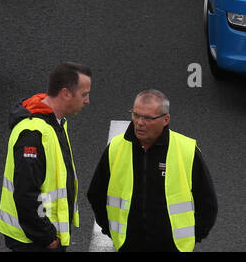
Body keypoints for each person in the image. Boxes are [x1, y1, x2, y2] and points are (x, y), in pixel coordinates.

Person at [86, 90, 217, 252]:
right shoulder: (116, 147)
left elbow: (207, 202)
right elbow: (96, 194)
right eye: (136, 115)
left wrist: (193, 238)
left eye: (148, 118)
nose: (139, 122)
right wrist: (111, 231)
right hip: (129, 247)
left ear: (165, 120)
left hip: (173, 248)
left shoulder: (186, 150)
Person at [0, 61, 92, 251]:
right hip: (34, 241)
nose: (87, 100)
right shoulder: (33, 134)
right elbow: (26, 193)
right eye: (84, 94)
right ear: (66, 93)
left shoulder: (54, 123)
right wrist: (47, 237)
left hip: (42, 235)